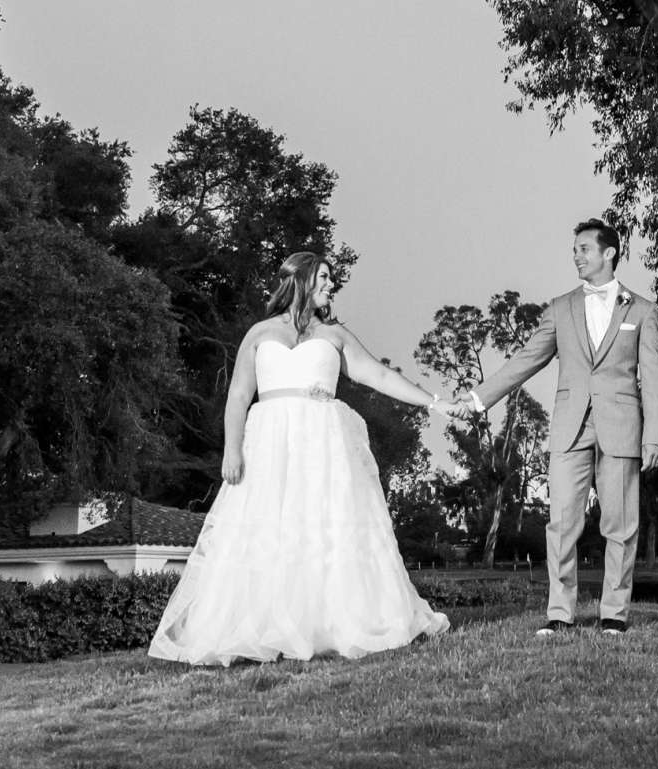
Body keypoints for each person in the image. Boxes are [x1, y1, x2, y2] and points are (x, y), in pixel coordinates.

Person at [148, 250, 453, 665]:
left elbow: (379, 375)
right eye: (324, 277)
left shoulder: (336, 335)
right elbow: (239, 394)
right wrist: (232, 450)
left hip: (324, 446)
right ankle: (267, 624)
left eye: (332, 279)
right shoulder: (259, 333)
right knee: (270, 529)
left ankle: (329, 622)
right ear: (301, 280)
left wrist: (434, 402)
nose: (331, 285)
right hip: (270, 444)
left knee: (324, 529)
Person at [460, 218, 658, 636]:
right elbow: (526, 358)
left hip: (622, 428)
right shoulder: (560, 307)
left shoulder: (642, 310)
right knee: (562, 523)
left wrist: (655, 434)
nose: (576, 255)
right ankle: (559, 613)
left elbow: (654, 376)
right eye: (574, 249)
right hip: (569, 427)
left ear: (608, 253)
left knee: (621, 525)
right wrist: (479, 398)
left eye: (584, 249)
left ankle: (614, 614)